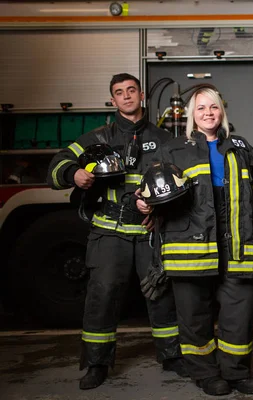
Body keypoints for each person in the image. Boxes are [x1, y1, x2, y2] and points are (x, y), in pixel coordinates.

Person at [47, 73, 186, 390]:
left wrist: (161, 211)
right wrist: (75, 173)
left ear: (141, 96)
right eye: (119, 92)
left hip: (150, 232)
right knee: (103, 296)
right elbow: (56, 166)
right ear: (113, 100)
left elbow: (180, 182)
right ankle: (97, 363)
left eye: (131, 90)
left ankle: (172, 356)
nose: (126, 96)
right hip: (109, 233)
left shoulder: (163, 139)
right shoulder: (98, 138)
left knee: (161, 293)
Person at [151, 86, 253, 396]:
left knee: (239, 314)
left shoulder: (241, 148)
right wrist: (143, 201)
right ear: (192, 113)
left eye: (214, 107)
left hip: (235, 245)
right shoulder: (173, 149)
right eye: (201, 107)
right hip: (191, 246)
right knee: (194, 316)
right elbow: (150, 189)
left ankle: (235, 372)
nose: (208, 112)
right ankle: (205, 373)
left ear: (222, 112)